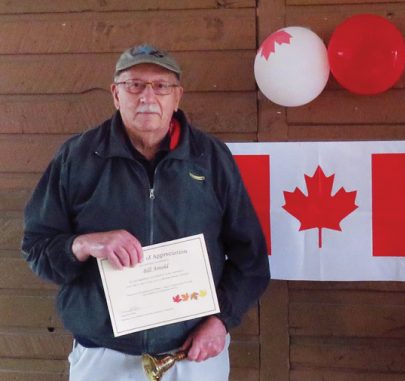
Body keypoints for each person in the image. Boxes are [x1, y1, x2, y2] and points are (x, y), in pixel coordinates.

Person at [21, 43, 270, 381]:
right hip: (103, 356)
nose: (147, 96)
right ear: (115, 94)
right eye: (134, 84)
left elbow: (251, 258)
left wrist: (221, 320)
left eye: (161, 86)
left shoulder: (211, 158)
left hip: (193, 357)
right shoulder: (76, 158)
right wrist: (83, 245)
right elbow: (37, 247)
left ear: (177, 97)